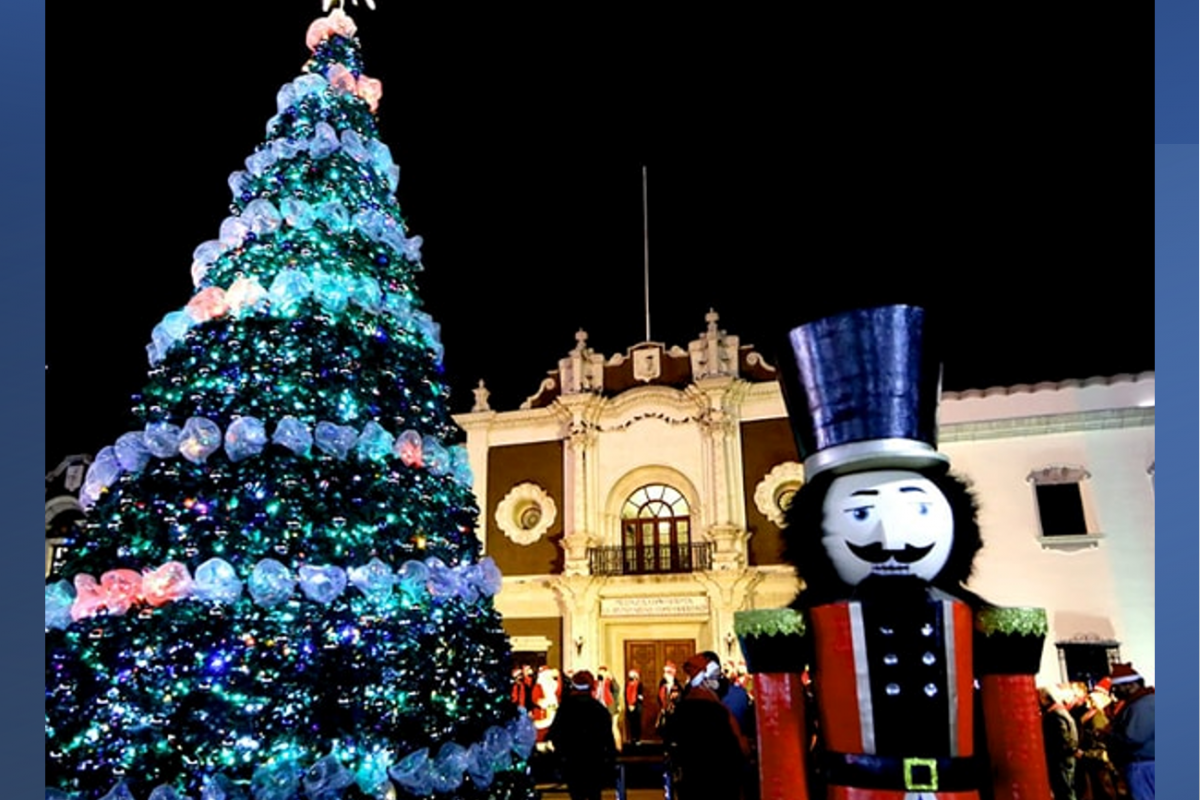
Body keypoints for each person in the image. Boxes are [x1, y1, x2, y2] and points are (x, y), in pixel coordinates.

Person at [738, 304, 1055, 800]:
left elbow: (1017, 739)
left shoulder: (991, 626)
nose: (892, 537)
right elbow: (781, 738)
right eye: (861, 512)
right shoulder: (799, 627)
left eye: (917, 510)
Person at [661, 653, 751, 800]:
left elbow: (670, 737)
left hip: (693, 781)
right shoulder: (720, 709)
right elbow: (735, 748)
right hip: (720, 781)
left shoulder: (683, 708)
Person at [547, 670, 617, 800]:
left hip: (572, 761)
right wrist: (610, 759)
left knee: (576, 795)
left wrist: (562, 752)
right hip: (594, 762)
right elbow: (607, 738)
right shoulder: (599, 709)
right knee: (594, 794)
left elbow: (555, 733)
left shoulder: (566, 708)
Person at [1106, 663, 1154, 800]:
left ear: (1130, 685)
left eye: (1117, 687)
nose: (1115, 692)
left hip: (1142, 765)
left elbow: (1134, 738)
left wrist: (1109, 735)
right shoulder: (1143, 702)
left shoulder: (1141, 705)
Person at [1040, 685, 1080, 799]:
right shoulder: (1061, 712)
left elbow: (1063, 739)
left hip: (1061, 760)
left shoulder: (1055, 714)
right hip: (1066, 758)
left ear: (1045, 698)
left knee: (1065, 792)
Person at [593, 665, 622, 751]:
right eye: (599, 672)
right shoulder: (596, 683)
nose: (600, 674)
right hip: (599, 707)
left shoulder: (610, 682)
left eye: (602, 672)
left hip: (610, 706)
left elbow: (616, 691)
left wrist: (611, 678)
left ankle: (618, 747)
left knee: (613, 727)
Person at [656, 661, 681, 735]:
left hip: (673, 708)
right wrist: (662, 706)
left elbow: (680, 693)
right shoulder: (663, 682)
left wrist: (676, 696)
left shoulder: (676, 682)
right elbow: (660, 695)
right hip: (664, 707)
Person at [625, 669, 645, 744]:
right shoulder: (627, 684)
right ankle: (632, 738)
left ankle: (637, 738)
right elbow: (626, 694)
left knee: (637, 722)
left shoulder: (639, 684)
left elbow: (640, 695)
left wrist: (635, 703)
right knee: (631, 723)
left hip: (637, 705)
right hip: (629, 705)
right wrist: (629, 704)